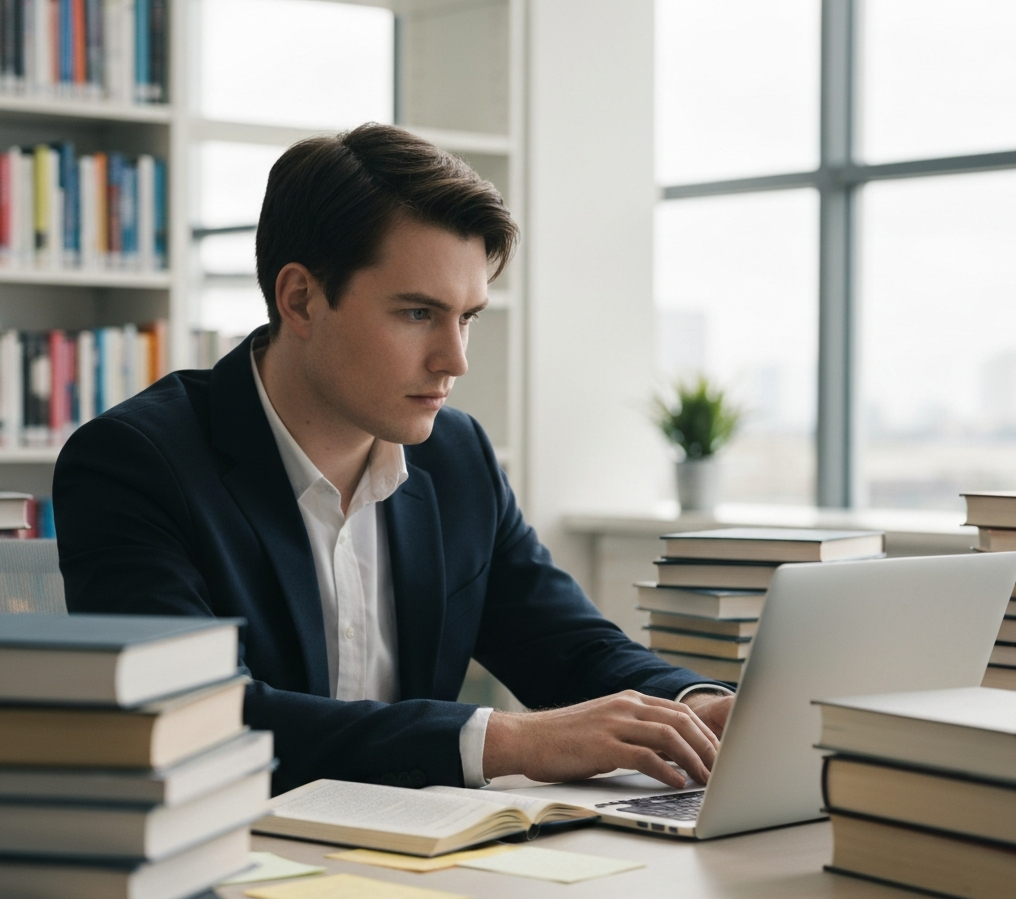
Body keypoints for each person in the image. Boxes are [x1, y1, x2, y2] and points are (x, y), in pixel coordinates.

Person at [53, 124, 734, 796]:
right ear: (300, 299)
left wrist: (700, 706)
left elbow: (571, 647)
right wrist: (509, 741)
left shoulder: (457, 456)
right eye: (417, 314)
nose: (455, 360)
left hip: (411, 871)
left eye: (467, 317)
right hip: (229, 867)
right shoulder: (132, 465)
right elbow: (197, 721)